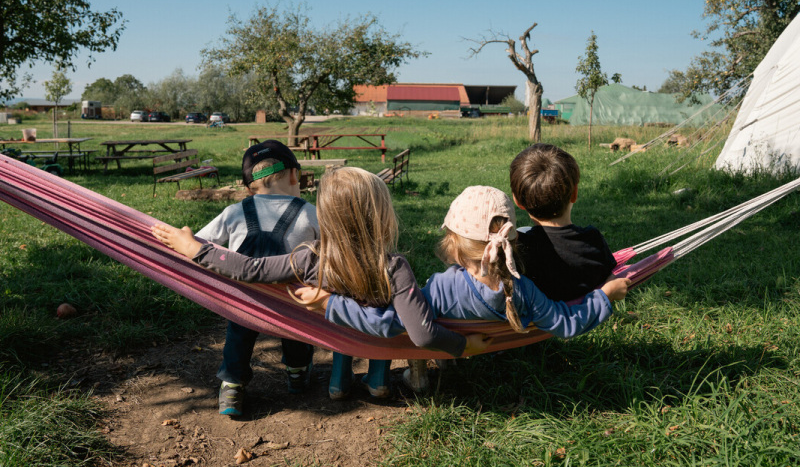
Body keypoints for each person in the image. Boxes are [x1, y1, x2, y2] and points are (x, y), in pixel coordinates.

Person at [151, 167, 490, 399]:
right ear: (383, 213)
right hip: (378, 341)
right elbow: (423, 333)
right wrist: (463, 346)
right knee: (380, 348)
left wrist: (198, 250)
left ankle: (338, 385)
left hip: (338, 337)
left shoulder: (309, 258)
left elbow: (249, 268)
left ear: (324, 215)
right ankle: (377, 383)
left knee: (346, 347)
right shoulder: (395, 267)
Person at [303, 186, 629, 346]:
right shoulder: (525, 290)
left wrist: (329, 303)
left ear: (455, 245)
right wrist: (606, 296)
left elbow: (389, 323)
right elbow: (565, 322)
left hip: (449, 340)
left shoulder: (444, 288)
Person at [195, 140, 319, 417]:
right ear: (294, 175)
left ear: (249, 186)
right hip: (293, 298)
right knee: (298, 334)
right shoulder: (310, 212)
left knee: (237, 338)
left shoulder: (234, 212)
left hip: (245, 299)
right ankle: (297, 374)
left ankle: (232, 387)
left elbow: (197, 244)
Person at [510, 143, 617, 301]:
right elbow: (609, 275)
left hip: (535, 322)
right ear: (575, 193)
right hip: (583, 319)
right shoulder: (593, 241)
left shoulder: (518, 249)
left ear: (518, 201)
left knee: (524, 230)